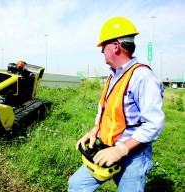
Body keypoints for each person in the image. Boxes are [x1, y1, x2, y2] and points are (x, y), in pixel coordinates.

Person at [68, 16, 165, 192]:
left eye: (103, 46)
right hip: (106, 148)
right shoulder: (114, 76)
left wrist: (120, 150)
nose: (101, 52)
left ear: (115, 46)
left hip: (133, 156)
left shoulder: (142, 77)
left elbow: (154, 124)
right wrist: (93, 132)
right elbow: (106, 112)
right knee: (76, 185)